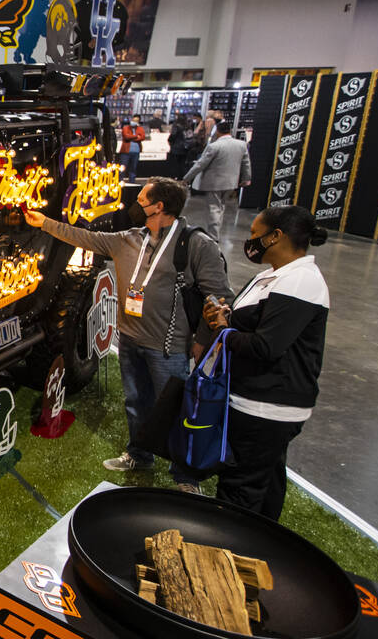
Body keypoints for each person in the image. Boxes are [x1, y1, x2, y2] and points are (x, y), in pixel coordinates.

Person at [24, 177, 232, 492]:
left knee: (175, 411)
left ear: (158, 206)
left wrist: (202, 340)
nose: (135, 203)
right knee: (136, 403)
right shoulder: (128, 239)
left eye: (142, 198)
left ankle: (185, 477)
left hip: (169, 349)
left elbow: (218, 297)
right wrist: (45, 223)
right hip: (131, 342)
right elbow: (84, 237)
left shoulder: (196, 244)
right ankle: (139, 455)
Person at [201, 206, 329, 520]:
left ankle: (228, 554)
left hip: (266, 406)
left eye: (256, 235)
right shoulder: (272, 276)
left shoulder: (299, 281)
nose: (250, 241)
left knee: (239, 490)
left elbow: (265, 346)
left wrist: (222, 329)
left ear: (277, 236)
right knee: (267, 483)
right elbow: (254, 325)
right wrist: (226, 317)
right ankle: (262, 547)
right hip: (254, 398)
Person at [183, 120, 251, 239]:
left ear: (218, 132)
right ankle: (215, 231)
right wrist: (246, 178)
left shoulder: (214, 146)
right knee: (221, 207)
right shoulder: (241, 144)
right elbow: (246, 163)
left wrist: (187, 178)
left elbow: (200, 164)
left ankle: (213, 236)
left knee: (213, 208)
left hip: (214, 183)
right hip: (231, 183)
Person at [118, 115, 145, 183]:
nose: (134, 122)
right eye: (133, 120)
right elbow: (126, 136)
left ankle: (132, 183)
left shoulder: (140, 128)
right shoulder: (125, 128)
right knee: (122, 168)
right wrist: (136, 136)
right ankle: (119, 182)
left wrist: (132, 137)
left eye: (136, 121)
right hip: (125, 152)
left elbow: (142, 137)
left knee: (133, 169)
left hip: (136, 152)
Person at [167, 116, 191, 180]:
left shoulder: (176, 126)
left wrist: (169, 141)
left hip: (176, 148)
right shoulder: (188, 126)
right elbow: (190, 137)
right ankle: (182, 178)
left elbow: (173, 136)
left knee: (174, 165)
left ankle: (174, 178)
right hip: (185, 149)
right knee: (183, 165)